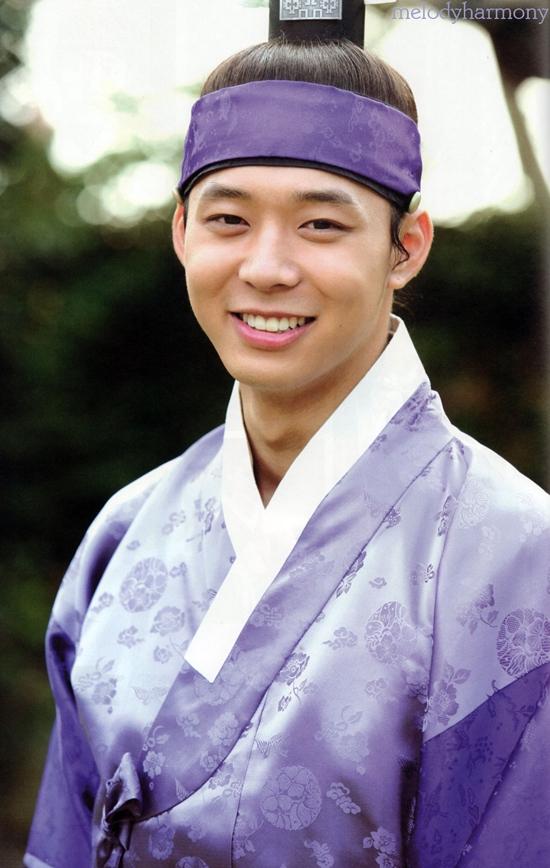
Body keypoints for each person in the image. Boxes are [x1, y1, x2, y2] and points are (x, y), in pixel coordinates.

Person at [25, 29, 550, 868]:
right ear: (182, 234)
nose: (267, 267)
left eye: (320, 224)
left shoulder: (516, 553)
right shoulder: (126, 535)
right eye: (229, 220)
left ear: (407, 247)